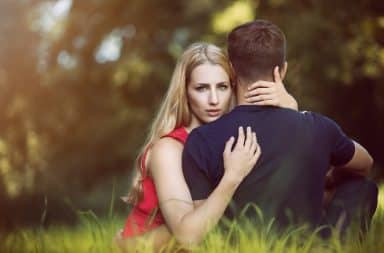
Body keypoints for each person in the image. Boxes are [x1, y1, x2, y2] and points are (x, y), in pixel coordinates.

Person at [182, 20, 378, 238]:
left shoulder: (200, 139)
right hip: (311, 244)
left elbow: (200, 231)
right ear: (282, 70)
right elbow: (365, 163)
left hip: (237, 244)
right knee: (361, 187)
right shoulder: (318, 127)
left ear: (231, 70)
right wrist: (330, 178)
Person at [116, 42, 298, 251]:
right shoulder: (168, 149)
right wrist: (128, 247)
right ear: (185, 92)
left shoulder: (237, 137)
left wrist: (290, 108)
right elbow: (186, 236)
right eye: (201, 88)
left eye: (222, 87)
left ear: (233, 87)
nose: (213, 100)